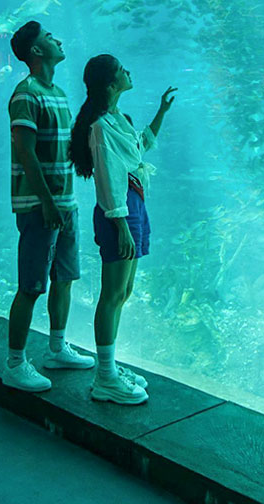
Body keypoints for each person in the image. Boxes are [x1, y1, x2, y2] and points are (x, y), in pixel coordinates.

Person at [70, 54, 177, 405]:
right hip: (119, 209)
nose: (127, 71)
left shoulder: (118, 119)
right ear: (110, 82)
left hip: (134, 203)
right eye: (121, 70)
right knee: (111, 293)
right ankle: (104, 377)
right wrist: (121, 225)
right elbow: (108, 178)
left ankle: (110, 368)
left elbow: (139, 147)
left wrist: (161, 112)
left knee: (124, 291)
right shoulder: (100, 127)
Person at [3, 21, 94, 391]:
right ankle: (14, 363)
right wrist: (46, 202)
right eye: (48, 37)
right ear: (37, 50)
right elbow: (25, 152)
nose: (57, 39)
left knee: (64, 278)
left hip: (65, 203)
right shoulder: (25, 94)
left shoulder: (57, 93)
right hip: (39, 205)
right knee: (31, 285)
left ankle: (57, 348)